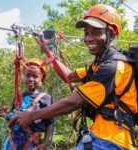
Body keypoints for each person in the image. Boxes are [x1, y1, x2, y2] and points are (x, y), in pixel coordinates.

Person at [9, 4, 137, 150]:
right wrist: (47, 50)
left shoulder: (113, 67)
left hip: (111, 140)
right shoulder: (100, 64)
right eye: (86, 33)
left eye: (96, 32)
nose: (88, 38)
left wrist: (31, 116)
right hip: (103, 136)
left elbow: (73, 103)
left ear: (112, 33)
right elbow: (69, 76)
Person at [0, 58, 53, 150]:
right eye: (28, 75)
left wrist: (45, 143)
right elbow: (14, 119)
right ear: (24, 76)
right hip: (14, 138)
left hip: (32, 140)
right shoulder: (18, 97)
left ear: (41, 78)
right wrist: (6, 115)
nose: (31, 79)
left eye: (35, 76)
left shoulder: (45, 97)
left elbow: (49, 122)